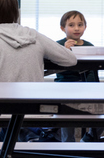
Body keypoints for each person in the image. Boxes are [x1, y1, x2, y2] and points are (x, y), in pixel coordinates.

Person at [0, 0, 77, 158]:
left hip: (3, 108)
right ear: (16, 12)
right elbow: (70, 59)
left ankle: (2, 156)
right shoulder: (32, 34)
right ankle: (15, 146)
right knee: (13, 118)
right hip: (36, 107)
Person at [38, 10, 101, 144]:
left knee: (99, 114)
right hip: (64, 89)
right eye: (71, 25)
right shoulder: (57, 45)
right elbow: (53, 68)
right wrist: (64, 51)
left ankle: (89, 138)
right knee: (67, 119)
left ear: (85, 27)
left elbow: (92, 72)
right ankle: (69, 150)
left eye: (80, 24)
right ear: (63, 28)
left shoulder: (89, 46)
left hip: (86, 90)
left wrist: (90, 89)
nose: (77, 28)